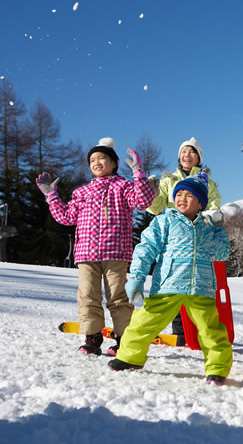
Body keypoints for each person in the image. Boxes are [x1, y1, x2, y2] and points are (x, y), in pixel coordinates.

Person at [108, 173, 232, 385]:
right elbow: (146, 248)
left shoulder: (208, 227)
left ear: (201, 203)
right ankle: (129, 357)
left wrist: (219, 230)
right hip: (168, 285)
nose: (182, 198)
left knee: (213, 331)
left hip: (201, 288)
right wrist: (137, 276)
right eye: (179, 194)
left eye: (189, 195)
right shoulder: (164, 221)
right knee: (143, 323)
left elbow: (221, 253)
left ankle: (217, 369)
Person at [36, 138, 155, 355]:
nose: (97, 162)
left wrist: (138, 172)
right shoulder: (82, 192)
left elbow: (143, 200)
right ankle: (92, 337)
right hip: (86, 254)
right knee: (87, 295)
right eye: (92, 160)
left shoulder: (124, 187)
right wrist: (51, 196)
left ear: (114, 163)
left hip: (115, 252)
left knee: (118, 296)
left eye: (102, 158)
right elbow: (66, 217)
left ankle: (124, 339)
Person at [146, 137, 223, 341]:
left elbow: (214, 205)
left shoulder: (208, 182)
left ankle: (199, 329)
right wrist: (150, 193)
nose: (187, 155)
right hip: (173, 236)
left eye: (192, 152)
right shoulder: (168, 181)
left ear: (198, 157)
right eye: (183, 151)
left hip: (197, 234)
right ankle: (179, 330)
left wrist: (211, 216)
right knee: (172, 280)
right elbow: (156, 209)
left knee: (196, 282)